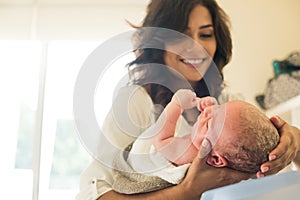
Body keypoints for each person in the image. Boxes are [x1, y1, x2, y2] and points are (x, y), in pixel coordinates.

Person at [76, 0, 300, 199]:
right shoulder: (136, 101)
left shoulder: (230, 103)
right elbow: (93, 193)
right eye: (178, 35)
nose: (195, 46)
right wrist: (186, 192)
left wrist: (294, 146)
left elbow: (274, 176)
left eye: (205, 34)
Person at [110, 89, 279, 194]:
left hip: (140, 160)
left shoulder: (186, 154)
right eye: (219, 108)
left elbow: (160, 139)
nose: (207, 112)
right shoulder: (219, 150)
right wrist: (211, 107)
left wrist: (176, 105)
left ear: (215, 160)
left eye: (210, 122)